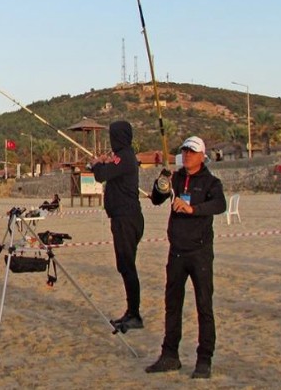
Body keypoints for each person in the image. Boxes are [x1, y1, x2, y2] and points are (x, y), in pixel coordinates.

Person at [146, 136, 226, 379]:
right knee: (172, 305)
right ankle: (170, 355)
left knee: (204, 306)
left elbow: (220, 205)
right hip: (177, 251)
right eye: (185, 151)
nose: (188, 155)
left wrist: (193, 209)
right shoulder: (177, 178)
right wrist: (161, 182)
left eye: (192, 151)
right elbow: (157, 199)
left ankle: (204, 359)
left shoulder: (211, 182)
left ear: (202, 155)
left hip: (200, 252)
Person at [90, 120, 145, 331]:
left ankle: (135, 314)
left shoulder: (125, 156)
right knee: (124, 266)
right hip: (122, 219)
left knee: (128, 267)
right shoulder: (122, 157)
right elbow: (107, 171)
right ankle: (131, 312)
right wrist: (102, 163)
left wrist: (97, 164)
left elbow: (101, 175)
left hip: (127, 219)